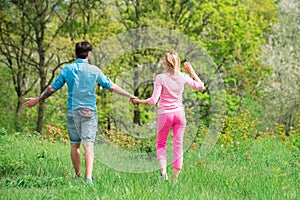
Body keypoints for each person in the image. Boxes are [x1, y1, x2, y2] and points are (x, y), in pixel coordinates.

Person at [24, 41, 137, 184]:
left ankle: (78, 176)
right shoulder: (94, 70)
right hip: (89, 112)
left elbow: (52, 88)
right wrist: (130, 96)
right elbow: (111, 87)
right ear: (89, 54)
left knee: (74, 145)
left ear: (75, 53)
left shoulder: (67, 69)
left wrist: (37, 99)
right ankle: (88, 178)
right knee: (88, 145)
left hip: (73, 111)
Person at [132, 52, 204, 182]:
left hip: (165, 114)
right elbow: (200, 86)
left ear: (166, 63)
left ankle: (164, 173)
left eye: (163, 60)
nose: (161, 62)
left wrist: (139, 101)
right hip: (179, 115)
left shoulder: (160, 78)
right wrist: (192, 71)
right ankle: (174, 180)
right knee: (178, 146)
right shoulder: (183, 76)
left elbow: (153, 100)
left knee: (161, 145)